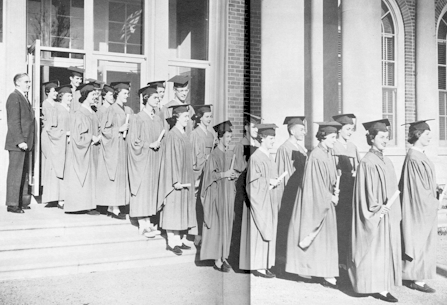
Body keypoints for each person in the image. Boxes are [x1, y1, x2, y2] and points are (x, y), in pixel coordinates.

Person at [348, 119, 402, 303]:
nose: (385, 140)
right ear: (371, 138)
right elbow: (366, 194)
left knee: (383, 250)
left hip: (387, 214)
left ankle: (382, 286)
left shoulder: (386, 160)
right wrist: (377, 209)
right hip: (376, 214)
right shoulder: (367, 162)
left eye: (387, 137)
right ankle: (372, 287)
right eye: (381, 137)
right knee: (374, 248)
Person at [286, 121, 341, 288]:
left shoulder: (326, 154)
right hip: (319, 201)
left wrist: (333, 188)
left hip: (326, 199)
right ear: (323, 136)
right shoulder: (316, 155)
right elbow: (313, 185)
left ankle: (324, 272)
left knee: (324, 239)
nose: (335, 140)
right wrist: (329, 197)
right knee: (317, 236)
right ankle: (322, 273)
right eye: (332, 137)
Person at [399, 120, 438, 293]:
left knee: (423, 239)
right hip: (419, 206)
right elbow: (418, 190)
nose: (430, 137)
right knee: (418, 237)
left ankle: (417, 276)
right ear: (418, 135)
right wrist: (433, 200)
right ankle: (414, 278)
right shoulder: (414, 157)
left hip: (425, 203)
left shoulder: (420, 155)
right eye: (427, 134)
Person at [240, 123, 280, 278]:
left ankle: (265, 264)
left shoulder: (269, 157)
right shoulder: (256, 157)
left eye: (274, 138)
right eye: (270, 138)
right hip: (258, 202)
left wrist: (275, 181)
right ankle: (258, 266)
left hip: (267, 200)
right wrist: (268, 182)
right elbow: (252, 183)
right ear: (262, 138)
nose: (273, 141)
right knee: (257, 232)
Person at [157, 104, 196, 256]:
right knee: (173, 208)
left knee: (180, 208)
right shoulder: (173, 135)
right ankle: (171, 242)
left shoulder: (183, 134)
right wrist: (175, 180)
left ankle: (178, 239)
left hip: (185, 176)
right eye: (185, 116)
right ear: (177, 117)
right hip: (176, 179)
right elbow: (171, 159)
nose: (188, 119)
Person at [200, 120, 237, 272]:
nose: (229, 139)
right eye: (227, 137)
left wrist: (233, 175)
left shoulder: (230, 153)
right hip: (218, 193)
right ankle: (217, 259)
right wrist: (224, 174)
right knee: (219, 225)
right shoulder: (214, 154)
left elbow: (231, 173)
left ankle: (224, 256)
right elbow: (209, 175)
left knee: (227, 224)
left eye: (230, 137)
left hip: (228, 191)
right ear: (220, 137)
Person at [128, 85, 164, 238]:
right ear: (146, 98)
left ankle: (148, 222)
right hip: (143, 159)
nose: (158, 99)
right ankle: (142, 224)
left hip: (154, 159)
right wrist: (149, 144)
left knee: (151, 189)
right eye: (155, 97)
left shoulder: (157, 118)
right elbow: (133, 141)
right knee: (142, 188)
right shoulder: (138, 118)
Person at [274, 116, 308, 274]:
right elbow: (281, 174)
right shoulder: (284, 149)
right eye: (301, 129)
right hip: (288, 193)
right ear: (292, 130)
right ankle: (282, 261)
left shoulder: (302, 150)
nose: (304, 132)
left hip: (299, 192)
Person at [96, 82, 133, 219]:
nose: (127, 96)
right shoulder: (111, 110)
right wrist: (119, 129)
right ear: (117, 94)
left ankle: (118, 205)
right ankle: (113, 207)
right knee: (114, 177)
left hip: (123, 147)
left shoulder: (126, 110)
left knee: (121, 177)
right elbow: (104, 130)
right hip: (114, 148)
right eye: (124, 93)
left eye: (128, 93)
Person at [63, 83, 101, 215]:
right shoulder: (79, 113)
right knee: (82, 176)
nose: (95, 97)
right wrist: (91, 137)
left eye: (96, 95)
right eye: (93, 95)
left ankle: (90, 204)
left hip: (93, 150)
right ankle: (79, 206)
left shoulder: (92, 112)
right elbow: (78, 136)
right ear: (85, 96)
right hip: (84, 150)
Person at [229, 112, 261, 268]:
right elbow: (238, 169)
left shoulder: (257, 145)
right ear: (246, 127)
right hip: (243, 189)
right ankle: (237, 259)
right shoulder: (241, 145)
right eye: (254, 126)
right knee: (241, 224)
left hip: (254, 188)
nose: (256, 130)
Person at [332, 113, 360, 270]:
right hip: (338, 190)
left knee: (348, 225)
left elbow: (359, 167)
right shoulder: (333, 145)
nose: (350, 132)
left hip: (351, 191)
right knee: (338, 224)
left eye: (352, 129)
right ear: (339, 129)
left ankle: (345, 258)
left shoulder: (353, 147)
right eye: (347, 129)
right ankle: (337, 259)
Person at [5, 73, 35, 213]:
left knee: (23, 173)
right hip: (18, 143)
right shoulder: (14, 97)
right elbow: (13, 122)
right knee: (15, 173)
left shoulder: (23, 97)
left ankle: (21, 201)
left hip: (25, 142)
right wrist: (20, 141)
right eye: (26, 82)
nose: (29, 84)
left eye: (29, 82)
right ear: (17, 83)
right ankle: (12, 204)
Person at [41, 84, 72, 209]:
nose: (71, 98)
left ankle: (64, 197)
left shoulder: (69, 109)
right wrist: (65, 133)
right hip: (59, 144)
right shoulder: (57, 109)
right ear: (62, 96)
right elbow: (50, 129)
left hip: (67, 144)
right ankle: (59, 199)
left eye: (71, 95)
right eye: (68, 96)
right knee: (57, 170)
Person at [190, 104, 215, 246]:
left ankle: (204, 233)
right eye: (207, 117)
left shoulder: (211, 134)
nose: (209, 119)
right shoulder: (194, 134)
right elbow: (194, 155)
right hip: (199, 172)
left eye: (211, 116)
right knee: (197, 202)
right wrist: (204, 159)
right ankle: (196, 234)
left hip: (209, 171)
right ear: (199, 118)